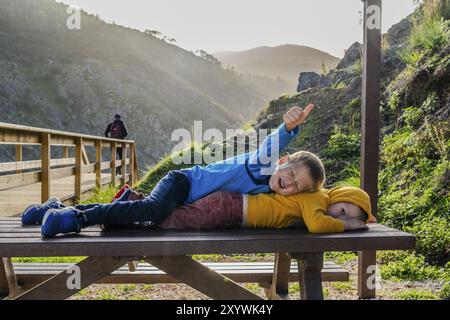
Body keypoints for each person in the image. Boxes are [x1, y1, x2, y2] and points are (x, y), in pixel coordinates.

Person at [22, 104, 327, 237]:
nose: (289, 184)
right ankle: (77, 218)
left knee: (142, 216)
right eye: (292, 174)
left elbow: (318, 200)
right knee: (151, 212)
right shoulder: (263, 166)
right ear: (284, 161)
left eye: (297, 186)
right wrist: (288, 128)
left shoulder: (270, 192)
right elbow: (271, 144)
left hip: (183, 199)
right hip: (183, 183)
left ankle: (55, 208)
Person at [33, 186, 375, 237]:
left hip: (226, 206)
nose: (340, 217)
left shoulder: (314, 198)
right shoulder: (316, 198)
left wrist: (353, 219)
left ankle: (61, 209)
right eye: (343, 210)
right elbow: (317, 226)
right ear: (338, 196)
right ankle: (76, 217)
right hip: (227, 209)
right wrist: (351, 228)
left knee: (163, 215)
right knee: (163, 222)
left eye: (346, 217)